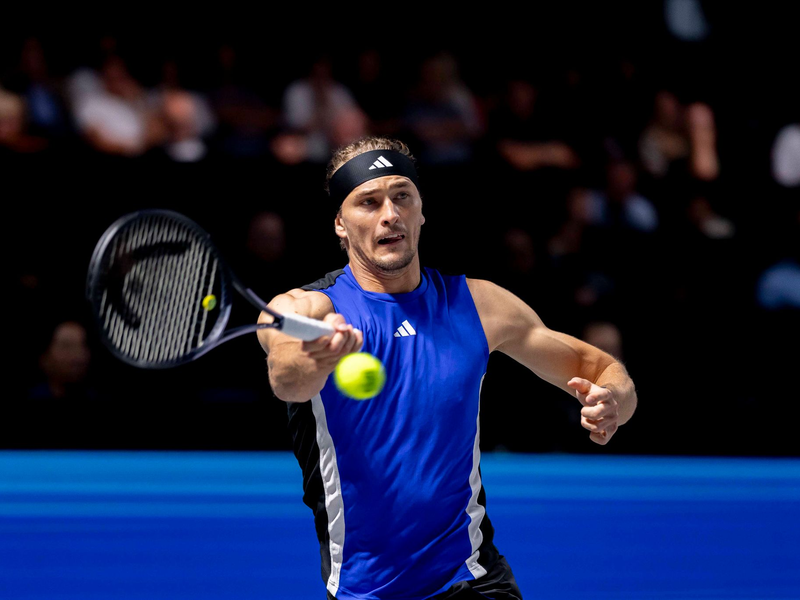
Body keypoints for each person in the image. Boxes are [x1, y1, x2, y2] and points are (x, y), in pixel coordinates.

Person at [257, 137, 637, 599]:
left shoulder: (479, 305)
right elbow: (286, 377)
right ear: (341, 223)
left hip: (474, 577)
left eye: (402, 196)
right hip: (366, 588)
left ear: (421, 211)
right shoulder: (306, 309)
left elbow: (601, 368)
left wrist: (614, 400)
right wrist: (313, 358)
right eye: (368, 202)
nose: (389, 214)